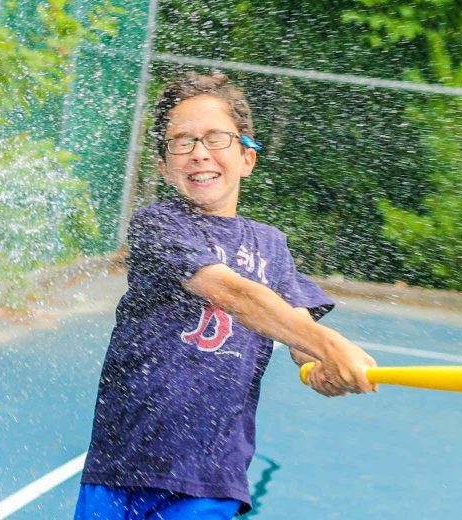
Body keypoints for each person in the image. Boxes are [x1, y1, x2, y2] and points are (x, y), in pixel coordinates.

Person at [75, 72, 379, 519]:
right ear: (163, 166)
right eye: (181, 141)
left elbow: (298, 334)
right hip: (121, 465)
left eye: (216, 138)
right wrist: (330, 346)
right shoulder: (158, 224)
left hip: (211, 474)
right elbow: (228, 290)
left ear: (246, 157)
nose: (199, 152)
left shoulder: (271, 245)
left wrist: (320, 366)